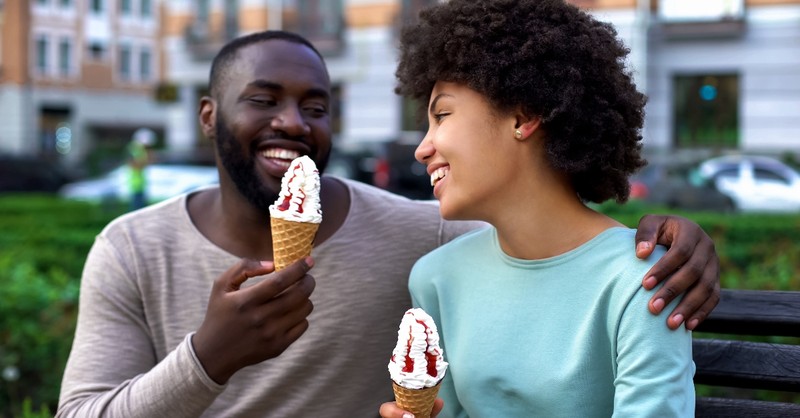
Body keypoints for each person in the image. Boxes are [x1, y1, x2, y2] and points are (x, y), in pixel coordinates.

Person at [58, 30, 718, 418]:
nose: (293, 121)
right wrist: (209, 357)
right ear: (207, 117)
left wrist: (671, 237)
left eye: (315, 106)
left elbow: (550, 243)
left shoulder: (425, 242)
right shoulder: (131, 248)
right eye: (264, 100)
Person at [381, 1, 698, 417]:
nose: (423, 149)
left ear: (523, 115)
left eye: (442, 115)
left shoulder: (642, 281)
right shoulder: (436, 278)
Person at [126, 128, 156, 210]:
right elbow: (134, 164)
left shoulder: (139, 149)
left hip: (140, 184)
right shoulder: (135, 148)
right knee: (137, 209)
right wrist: (146, 160)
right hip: (136, 184)